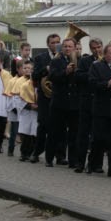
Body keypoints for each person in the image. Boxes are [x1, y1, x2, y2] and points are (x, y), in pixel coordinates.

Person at [87, 42, 111, 177]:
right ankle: (93, 164)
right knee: (98, 139)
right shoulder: (96, 66)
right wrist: (108, 83)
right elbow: (92, 84)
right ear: (105, 54)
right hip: (101, 108)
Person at [46, 36, 81, 168]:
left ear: (74, 47)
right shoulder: (56, 61)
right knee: (55, 132)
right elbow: (52, 77)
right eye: (65, 46)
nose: (67, 49)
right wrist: (65, 72)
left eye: (70, 46)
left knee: (73, 134)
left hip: (74, 104)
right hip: (59, 103)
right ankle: (49, 158)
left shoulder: (79, 60)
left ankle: (73, 160)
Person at [30, 33, 61, 163]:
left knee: (59, 127)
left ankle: (60, 156)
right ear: (48, 44)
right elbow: (35, 76)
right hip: (44, 97)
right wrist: (46, 69)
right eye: (53, 42)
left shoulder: (64, 58)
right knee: (43, 125)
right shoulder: (40, 58)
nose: (55, 45)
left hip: (59, 96)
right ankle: (36, 152)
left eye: (57, 42)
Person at [75, 37, 103, 173]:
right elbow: (78, 77)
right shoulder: (85, 61)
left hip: (100, 103)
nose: (97, 50)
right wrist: (93, 71)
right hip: (86, 102)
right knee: (83, 134)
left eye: (99, 47)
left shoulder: (108, 62)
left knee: (98, 136)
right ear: (91, 49)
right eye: (94, 48)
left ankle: (96, 164)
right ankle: (80, 163)